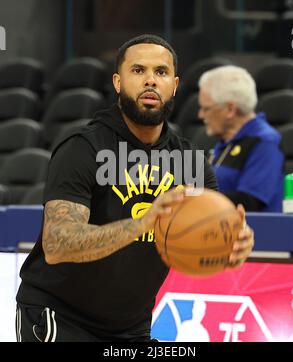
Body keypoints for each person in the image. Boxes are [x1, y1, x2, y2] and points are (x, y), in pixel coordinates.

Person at [16, 34, 254, 342]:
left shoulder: (190, 162)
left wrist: (232, 245)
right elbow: (58, 244)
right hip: (60, 318)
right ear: (118, 82)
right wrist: (142, 223)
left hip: (131, 327)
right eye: (138, 70)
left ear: (175, 85)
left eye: (161, 72)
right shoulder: (83, 147)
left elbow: (210, 228)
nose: (150, 81)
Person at [198, 65, 284, 212]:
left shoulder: (265, 142)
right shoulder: (225, 142)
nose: (200, 115)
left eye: (206, 109)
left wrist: (195, 198)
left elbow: (250, 202)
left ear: (231, 109)